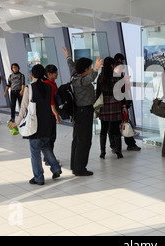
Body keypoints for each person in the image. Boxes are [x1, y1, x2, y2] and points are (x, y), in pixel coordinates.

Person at [9, 64, 62, 185]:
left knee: (35, 151)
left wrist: (17, 122)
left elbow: (23, 107)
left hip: (34, 124)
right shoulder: (48, 87)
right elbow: (51, 104)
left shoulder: (29, 88)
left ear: (32, 75)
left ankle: (39, 177)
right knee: (45, 146)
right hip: (47, 122)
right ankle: (56, 168)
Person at [63, 47, 102, 176]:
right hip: (83, 112)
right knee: (84, 140)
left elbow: (72, 66)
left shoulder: (75, 75)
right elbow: (90, 78)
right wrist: (96, 69)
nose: (90, 69)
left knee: (77, 139)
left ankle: (75, 166)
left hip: (78, 112)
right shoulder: (80, 81)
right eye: (89, 67)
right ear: (85, 69)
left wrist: (68, 57)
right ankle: (80, 169)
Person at [96, 57, 126, 159]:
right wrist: (124, 105)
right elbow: (122, 93)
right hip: (115, 105)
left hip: (104, 105)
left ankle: (102, 152)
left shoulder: (101, 77)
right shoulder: (117, 77)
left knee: (103, 130)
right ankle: (118, 152)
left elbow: (98, 93)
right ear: (112, 65)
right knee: (116, 130)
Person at [110, 53, 141, 152]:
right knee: (120, 124)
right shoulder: (114, 77)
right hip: (117, 105)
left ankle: (118, 145)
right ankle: (124, 145)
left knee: (122, 124)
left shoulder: (118, 76)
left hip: (119, 105)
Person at [43, 64, 61, 166]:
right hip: (49, 114)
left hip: (47, 114)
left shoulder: (50, 83)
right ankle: (49, 159)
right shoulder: (49, 85)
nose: (57, 74)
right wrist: (56, 115)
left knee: (50, 137)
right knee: (51, 137)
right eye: (55, 72)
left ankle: (47, 157)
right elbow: (51, 102)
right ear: (49, 74)